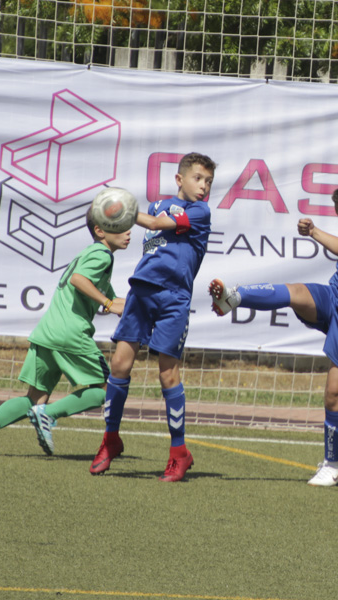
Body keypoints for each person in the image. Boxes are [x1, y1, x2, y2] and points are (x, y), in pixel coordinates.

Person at [208, 177, 338, 486]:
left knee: (334, 394)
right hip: (333, 299)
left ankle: (333, 464)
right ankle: (235, 297)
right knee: (296, 291)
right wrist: (315, 233)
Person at [89, 152, 216, 482]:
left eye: (208, 181)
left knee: (168, 375)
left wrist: (124, 211)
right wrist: (117, 217)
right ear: (180, 179)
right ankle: (110, 440)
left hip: (174, 297)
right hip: (141, 291)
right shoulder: (159, 204)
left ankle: (179, 453)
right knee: (118, 365)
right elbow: (153, 225)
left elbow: (157, 225)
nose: (204, 186)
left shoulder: (199, 212)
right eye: (198, 178)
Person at [0, 208, 130, 457]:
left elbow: (113, 299)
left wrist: (140, 306)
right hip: (70, 333)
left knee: (34, 398)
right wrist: (106, 304)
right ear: (100, 230)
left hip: (48, 331)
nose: (128, 231)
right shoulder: (102, 255)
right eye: (120, 225)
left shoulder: (90, 253)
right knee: (106, 390)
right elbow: (79, 280)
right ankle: (48, 415)